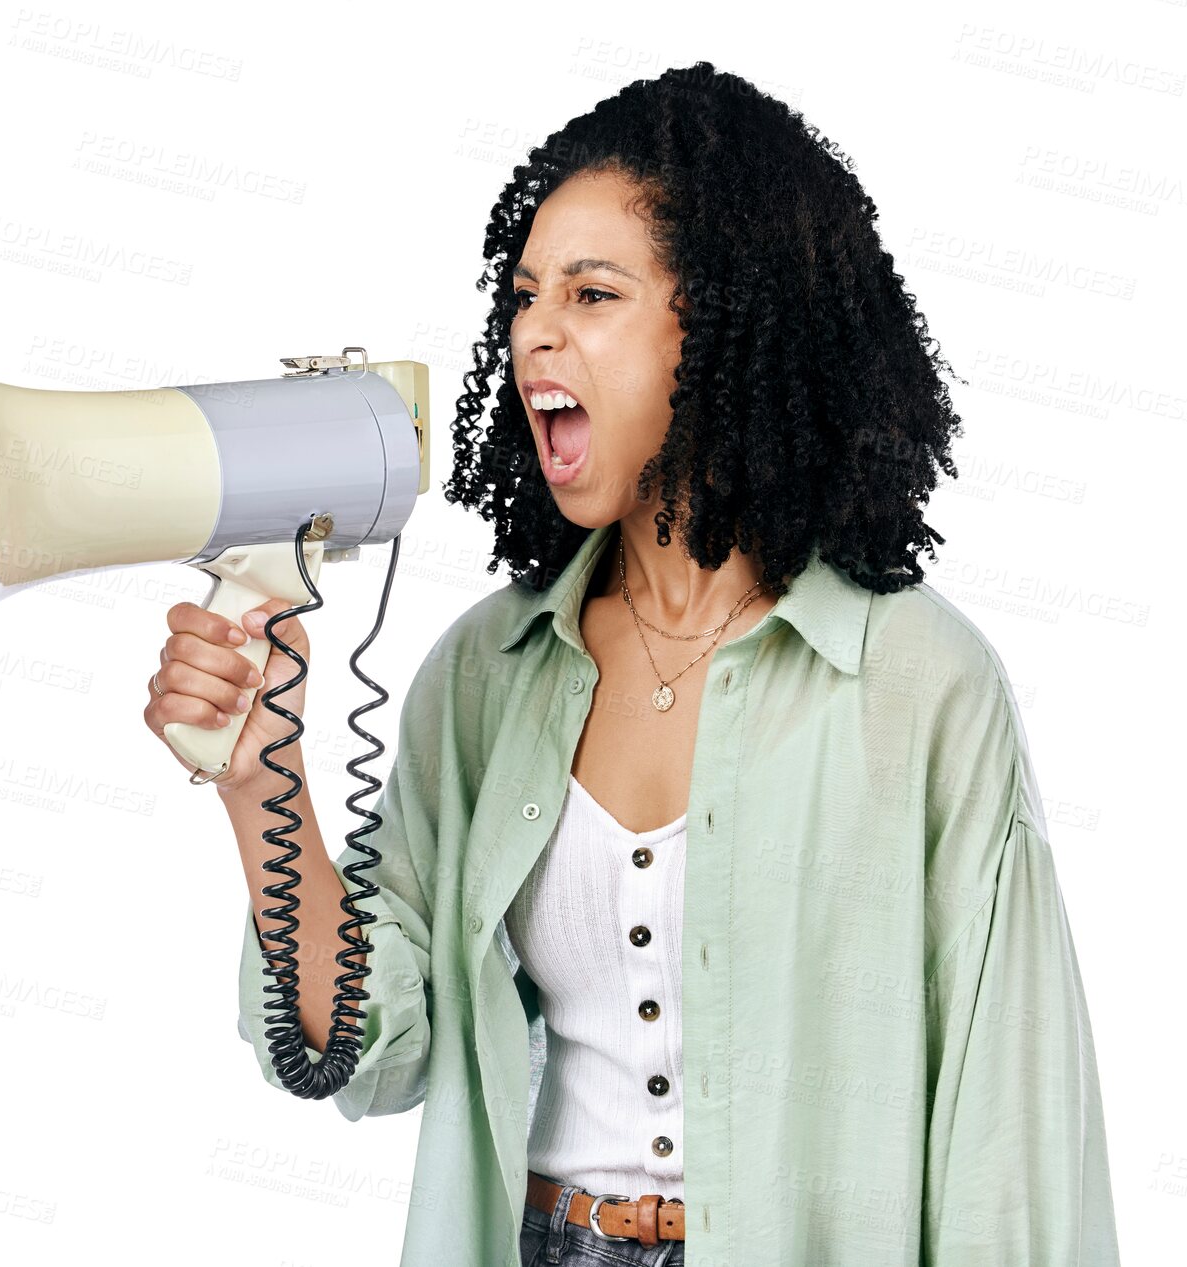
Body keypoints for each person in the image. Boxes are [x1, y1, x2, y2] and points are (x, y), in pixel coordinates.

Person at [144, 62, 1120, 1267]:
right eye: (523, 297)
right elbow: (364, 1045)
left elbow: (1007, 1140)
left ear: (721, 327)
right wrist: (263, 782)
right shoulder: (488, 675)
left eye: (592, 294)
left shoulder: (918, 682)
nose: (533, 333)